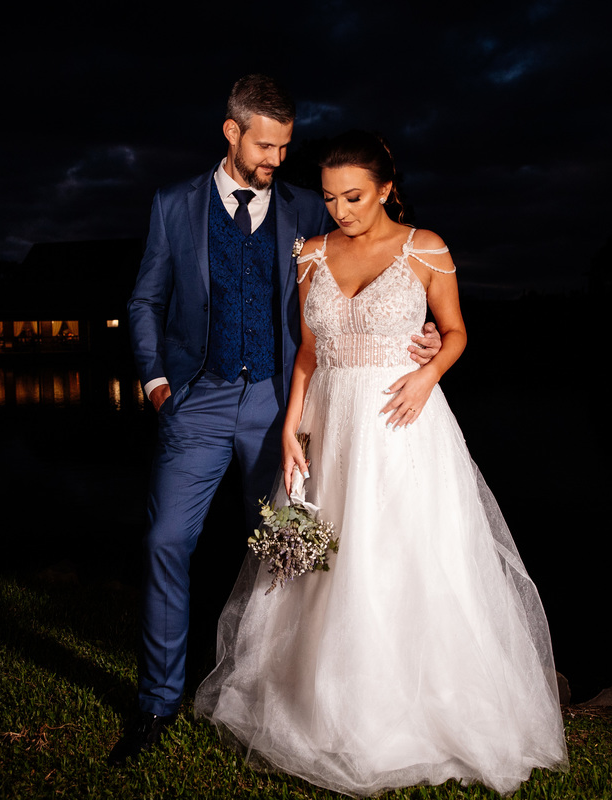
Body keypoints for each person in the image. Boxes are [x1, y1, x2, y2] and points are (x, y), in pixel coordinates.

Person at [195, 130, 568, 796]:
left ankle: (420, 711)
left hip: (404, 427)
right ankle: (323, 705)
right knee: (322, 565)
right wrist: (292, 430)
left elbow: (454, 333)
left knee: (405, 558)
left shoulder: (427, 248)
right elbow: (307, 355)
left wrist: (428, 377)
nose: (341, 210)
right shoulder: (309, 254)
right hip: (332, 430)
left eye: (355, 196)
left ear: (387, 188)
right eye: (332, 197)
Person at [115, 79, 442, 765]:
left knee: (285, 553)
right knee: (165, 542)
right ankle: (156, 702)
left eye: (286, 146)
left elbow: (362, 284)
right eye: (266, 145)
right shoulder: (174, 206)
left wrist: (424, 336)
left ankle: (277, 695)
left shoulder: (306, 211)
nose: (276, 158)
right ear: (231, 133)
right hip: (195, 402)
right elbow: (145, 299)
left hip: (278, 404)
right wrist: (155, 383)